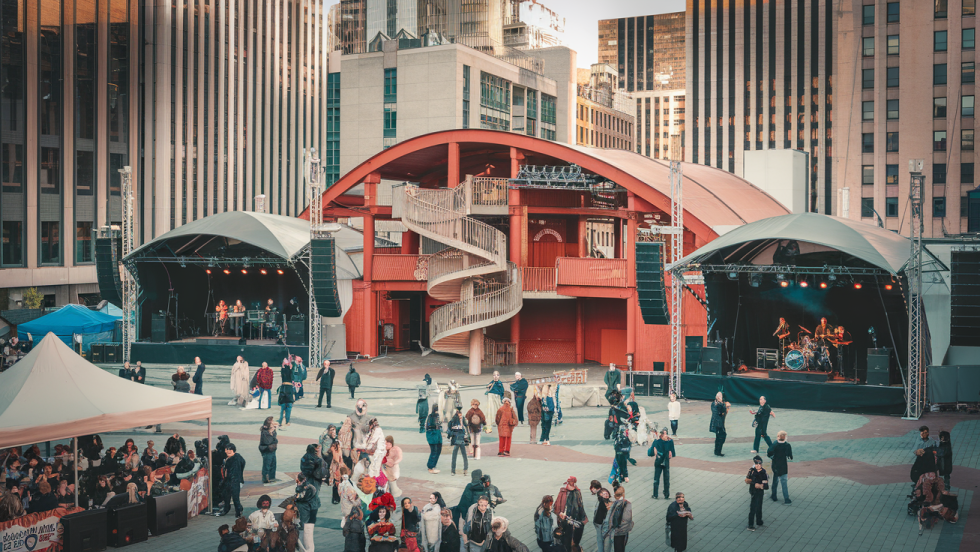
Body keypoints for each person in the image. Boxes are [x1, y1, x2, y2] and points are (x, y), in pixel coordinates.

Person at [554, 477, 587, 551]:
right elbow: (558, 504)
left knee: (576, 533)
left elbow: (580, 504)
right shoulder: (563, 491)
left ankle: (573, 546)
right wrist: (560, 513)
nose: (572, 483)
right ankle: (568, 547)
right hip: (565, 516)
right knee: (567, 536)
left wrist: (582, 517)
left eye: (573, 481)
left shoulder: (577, 491)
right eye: (571, 481)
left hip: (575, 516)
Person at [293, 473, 320, 552]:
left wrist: (296, 497)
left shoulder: (306, 487)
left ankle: (306, 549)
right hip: (312, 507)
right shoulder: (311, 485)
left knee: (305, 530)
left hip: (306, 509)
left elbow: (300, 494)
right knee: (308, 530)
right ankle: (308, 548)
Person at [218, 443, 246, 518]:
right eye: (226, 450)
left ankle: (238, 511)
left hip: (234, 481)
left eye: (229, 450)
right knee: (227, 496)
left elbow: (235, 471)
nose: (227, 451)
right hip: (229, 480)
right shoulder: (232, 458)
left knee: (235, 497)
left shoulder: (235, 459)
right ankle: (231, 509)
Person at [767, 430, 793, 504]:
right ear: (785, 437)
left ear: (778, 437)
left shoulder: (775, 445)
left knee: (775, 481)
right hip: (783, 466)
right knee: (784, 482)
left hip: (775, 465)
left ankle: (774, 496)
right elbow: (790, 455)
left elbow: (769, 453)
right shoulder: (787, 445)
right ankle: (786, 498)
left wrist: (773, 457)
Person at [604, 485, 633, 552]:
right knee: (620, 547)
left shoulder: (615, 503)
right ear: (623, 494)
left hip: (616, 530)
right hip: (621, 531)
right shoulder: (626, 503)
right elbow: (627, 519)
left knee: (617, 547)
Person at [649, 428, 676, 499]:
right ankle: (660, 494)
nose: (666, 435)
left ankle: (661, 494)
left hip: (662, 461)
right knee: (660, 478)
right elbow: (671, 454)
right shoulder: (666, 442)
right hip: (662, 461)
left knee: (662, 478)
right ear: (661, 435)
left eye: (666, 433)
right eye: (664, 434)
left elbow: (654, 452)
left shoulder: (660, 441)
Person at [745, 455, 769, 531]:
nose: (758, 465)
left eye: (759, 464)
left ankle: (759, 520)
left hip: (760, 491)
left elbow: (766, 485)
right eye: (756, 463)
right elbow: (747, 480)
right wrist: (754, 483)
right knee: (753, 508)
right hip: (753, 491)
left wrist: (761, 486)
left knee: (759, 506)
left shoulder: (763, 472)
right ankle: (750, 524)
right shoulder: (752, 471)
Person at [589, 481, 612, 552]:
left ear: (594, 487)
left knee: (600, 539)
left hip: (599, 521)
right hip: (603, 521)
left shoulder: (600, 496)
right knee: (604, 537)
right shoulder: (604, 492)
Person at [448, 407, 469, 476]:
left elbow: (466, 429)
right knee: (455, 455)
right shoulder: (454, 421)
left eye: (461, 415)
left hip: (461, 439)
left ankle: (465, 469)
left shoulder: (462, 421)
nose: (460, 417)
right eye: (459, 416)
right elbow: (450, 426)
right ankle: (453, 470)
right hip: (457, 439)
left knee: (464, 455)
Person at [258, 417, 279, 484]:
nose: (274, 424)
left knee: (273, 463)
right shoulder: (265, 432)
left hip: (272, 449)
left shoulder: (272, 431)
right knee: (267, 464)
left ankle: (272, 477)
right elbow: (268, 442)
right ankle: (265, 478)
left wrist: (273, 432)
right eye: (272, 423)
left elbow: (275, 440)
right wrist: (271, 433)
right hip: (266, 450)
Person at [709, 392, 730, 456]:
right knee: (722, 436)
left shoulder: (714, 403)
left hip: (716, 423)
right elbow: (722, 413)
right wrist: (726, 407)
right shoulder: (719, 405)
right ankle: (718, 451)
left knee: (718, 437)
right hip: (719, 424)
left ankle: (717, 451)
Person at [426, 405, 444, 474]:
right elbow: (432, 427)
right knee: (434, 451)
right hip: (433, 437)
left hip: (437, 437)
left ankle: (433, 466)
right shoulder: (432, 417)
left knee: (437, 451)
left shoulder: (436, 416)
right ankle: (431, 467)